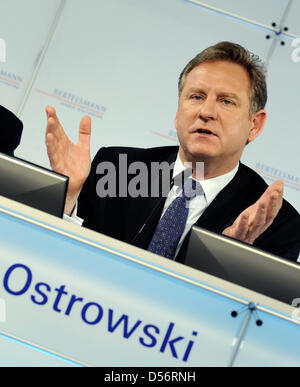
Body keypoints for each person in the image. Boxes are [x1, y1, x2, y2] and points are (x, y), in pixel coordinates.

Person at [45, 42, 300, 262]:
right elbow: (55, 256)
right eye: (196, 97)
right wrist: (66, 198)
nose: (206, 112)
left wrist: (225, 261)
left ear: (254, 125)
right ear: (178, 113)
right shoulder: (118, 169)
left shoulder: (275, 223)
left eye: (226, 101)